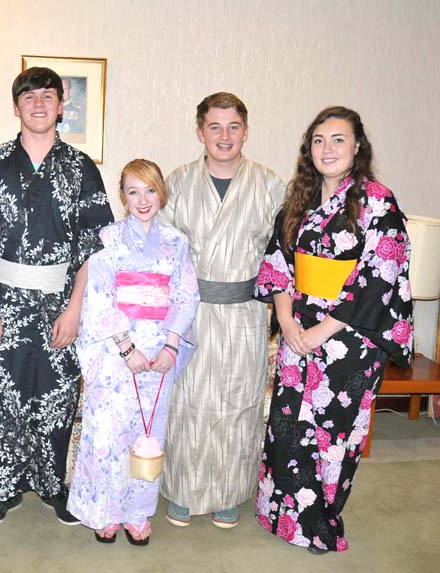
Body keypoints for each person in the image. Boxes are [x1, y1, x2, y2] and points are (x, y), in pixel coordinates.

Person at [0, 67, 114, 527]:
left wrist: (76, 309)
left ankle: (52, 486)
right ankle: (1, 491)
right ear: (16, 106)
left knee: (56, 399)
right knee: (2, 399)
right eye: (29, 96)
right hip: (2, 298)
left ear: (62, 105)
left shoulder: (81, 168)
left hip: (61, 301)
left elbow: (93, 245)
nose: (39, 104)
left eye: (49, 96)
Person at [254, 106, 413, 553]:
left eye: (338, 139)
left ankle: (320, 522)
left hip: (349, 337)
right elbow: (278, 263)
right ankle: (281, 514)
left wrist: (323, 330)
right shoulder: (299, 199)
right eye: (319, 140)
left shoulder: (377, 201)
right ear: (309, 148)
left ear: (358, 146)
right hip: (296, 330)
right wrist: (286, 322)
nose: (328, 149)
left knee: (332, 430)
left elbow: (380, 274)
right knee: (287, 424)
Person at [157, 92, 285, 528]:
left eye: (233, 127)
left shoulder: (270, 185)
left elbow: (282, 254)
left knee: (237, 402)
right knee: (187, 401)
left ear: (246, 131)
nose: (224, 136)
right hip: (190, 313)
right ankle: (182, 491)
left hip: (245, 313)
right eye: (215, 127)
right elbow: (163, 254)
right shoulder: (176, 182)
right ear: (200, 132)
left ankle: (229, 493)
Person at [67, 159, 199, 545]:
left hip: (160, 350)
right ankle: (105, 511)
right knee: (108, 433)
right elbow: (99, 297)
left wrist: (172, 346)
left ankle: (138, 513)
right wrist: (126, 348)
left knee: (148, 433)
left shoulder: (177, 242)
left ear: (162, 192)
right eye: (133, 191)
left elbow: (187, 295)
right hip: (114, 351)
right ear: (122, 197)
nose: (143, 200)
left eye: (150, 190)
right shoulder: (107, 239)